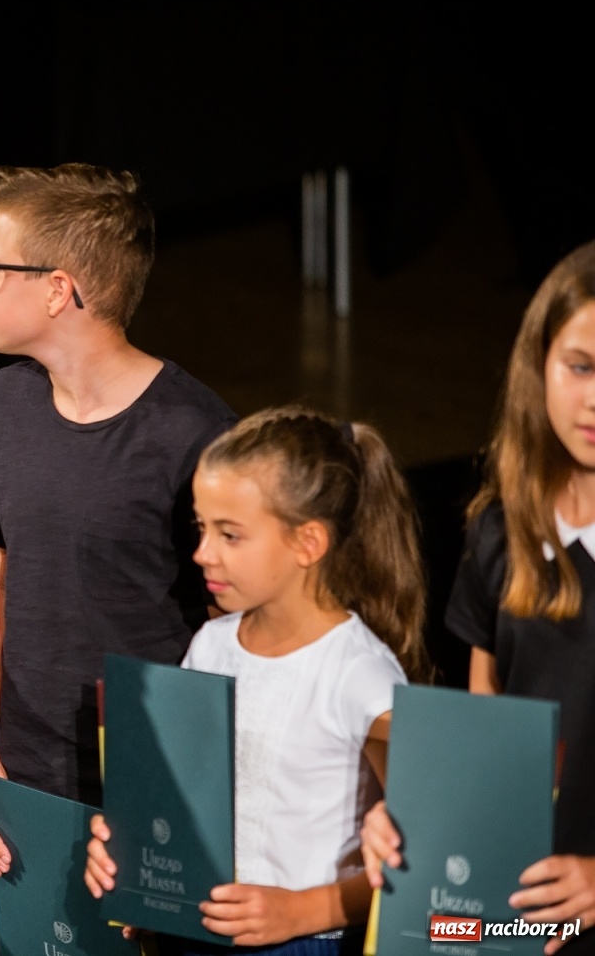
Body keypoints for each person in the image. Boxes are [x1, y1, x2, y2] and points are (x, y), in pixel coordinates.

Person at [0, 163, 235, 875]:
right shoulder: (6, 407)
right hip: (24, 772)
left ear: (57, 289)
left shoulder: (192, 433)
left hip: (150, 776)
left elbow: (228, 626)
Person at [83, 407, 429, 955]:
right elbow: (178, 798)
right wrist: (131, 858)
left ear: (307, 543)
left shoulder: (361, 675)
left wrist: (302, 911)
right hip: (196, 929)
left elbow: (417, 860)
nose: (201, 553)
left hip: (303, 942)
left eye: (231, 535)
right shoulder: (211, 645)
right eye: (202, 529)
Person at [361, 243, 595, 956]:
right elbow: (483, 740)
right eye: (580, 365)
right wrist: (409, 821)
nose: (594, 397)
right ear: (539, 365)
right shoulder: (500, 530)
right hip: (517, 913)